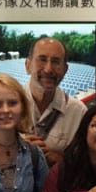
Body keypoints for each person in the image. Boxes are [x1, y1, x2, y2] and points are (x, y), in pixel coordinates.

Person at [24, 36, 86, 166]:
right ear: (28, 65)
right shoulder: (4, 105)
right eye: (42, 60)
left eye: (56, 62)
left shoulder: (78, 112)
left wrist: (61, 161)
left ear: (65, 70)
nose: (48, 69)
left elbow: (85, 165)